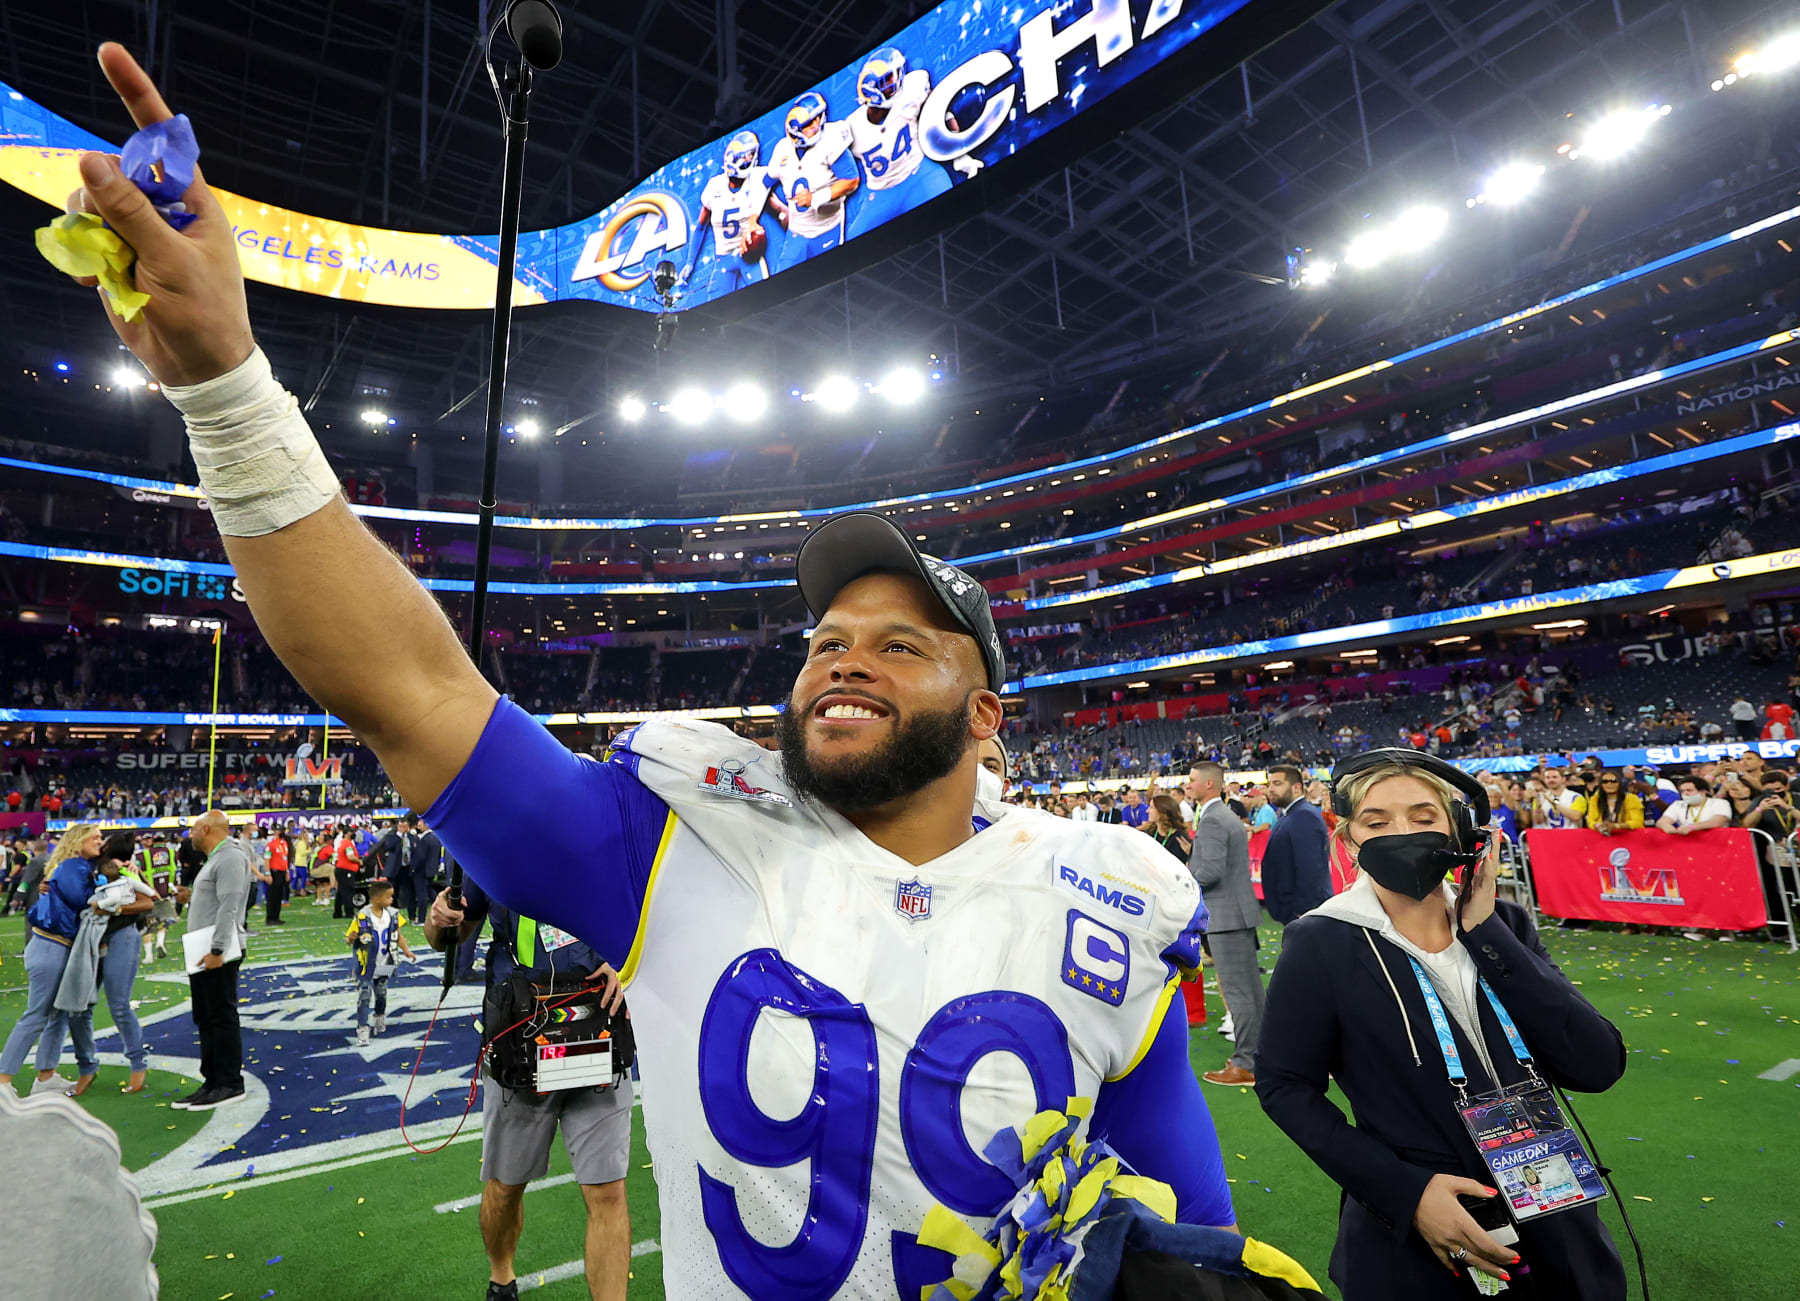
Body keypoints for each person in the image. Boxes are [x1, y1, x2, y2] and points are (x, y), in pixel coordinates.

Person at [61, 52, 1234, 1298]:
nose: (844, 660)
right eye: (827, 639)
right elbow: (406, 686)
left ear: (986, 715)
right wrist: (228, 392)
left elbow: (1192, 1245)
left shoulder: (1106, 894)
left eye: (901, 644)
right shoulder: (677, 833)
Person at [1256, 750, 1628, 1299]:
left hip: (1553, 1207)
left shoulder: (1507, 927)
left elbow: (1596, 1064)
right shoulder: (1321, 941)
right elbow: (1285, 1087)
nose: (1401, 832)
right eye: (1376, 822)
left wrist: (1485, 931)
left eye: (1424, 816)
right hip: (1415, 1234)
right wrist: (1407, 1194)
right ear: (1349, 842)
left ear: (1463, 832)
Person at [426, 880, 632, 1301]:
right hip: (521, 1035)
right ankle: (501, 1278)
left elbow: (650, 916)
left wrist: (627, 963)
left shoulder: (609, 829)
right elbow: (452, 932)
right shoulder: (492, 842)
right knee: (505, 1185)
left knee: (608, 1189)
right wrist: (438, 919)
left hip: (598, 1026)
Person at [0, 824, 104, 1097]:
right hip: (50, 946)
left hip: (55, 946)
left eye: (101, 838)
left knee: (57, 1014)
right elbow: (83, 900)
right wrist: (111, 890)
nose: (99, 841)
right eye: (93, 837)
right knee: (36, 1015)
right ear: (77, 840)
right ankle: (2, 1081)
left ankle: (45, 1077)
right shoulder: (73, 866)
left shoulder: (75, 866)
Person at [1186, 763, 1263, 1088]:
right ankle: (1259, 1056)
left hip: (1227, 916)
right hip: (1235, 914)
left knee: (1240, 992)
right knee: (1251, 992)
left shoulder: (1215, 818)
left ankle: (1248, 1063)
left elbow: (1211, 872)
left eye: (1191, 780)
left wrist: (1181, 881)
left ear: (1208, 784)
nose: (1187, 785)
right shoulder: (1219, 815)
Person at [172, 811, 251, 1111]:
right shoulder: (218, 858)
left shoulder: (229, 857)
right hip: (202, 947)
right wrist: (192, 897)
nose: (190, 835)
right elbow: (218, 901)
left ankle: (230, 1082)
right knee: (206, 1016)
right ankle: (213, 1080)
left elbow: (229, 906)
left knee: (220, 1015)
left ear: (205, 828)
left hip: (217, 949)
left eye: (193, 829)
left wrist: (218, 950)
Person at [96, 832, 156, 1094]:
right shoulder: (86, 864)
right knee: (80, 1008)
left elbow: (148, 899)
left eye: (101, 839)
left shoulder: (124, 871)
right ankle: (87, 1065)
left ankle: (137, 1061)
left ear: (108, 846)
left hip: (120, 935)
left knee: (119, 1004)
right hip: (93, 938)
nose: (98, 843)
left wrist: (115, 908)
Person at [1259, 764, 1333, 925]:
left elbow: (1310, 869)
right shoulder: (1290, 814)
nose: (1270, 789)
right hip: (1295, 913)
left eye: (1277, 784)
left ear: (1297, 788)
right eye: (1269, 784)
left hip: (1303, 914)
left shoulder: (1304, 816)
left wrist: (1303, 911)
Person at [345, 880, 413, 1047]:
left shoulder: (392, 914)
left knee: (381, 993)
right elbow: (349, 938)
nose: (392, 900)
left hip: (384, 960)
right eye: (388, 897)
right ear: (376, 899)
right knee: (365, 995)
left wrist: (406, 951)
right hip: (366, 963)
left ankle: (379, 1017)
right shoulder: (363, 915)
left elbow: (398, 934)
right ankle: (362, 1028)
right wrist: (351, 938)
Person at [1656, 776, 1731, 837]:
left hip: (1716, 842)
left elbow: (1718, 821)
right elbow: (1662, 821)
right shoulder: (1678, 804)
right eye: (1682, 791)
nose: (1685, 793)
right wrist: (1667, 827)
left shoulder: (1719, 803)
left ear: (1703, 792)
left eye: (1689, 790)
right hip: (1687, 844)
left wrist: (1691, 827)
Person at [1145, 793, 1194, 861]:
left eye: (1151, 807)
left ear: (1162, 811)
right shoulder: (1150, 833)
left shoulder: (1179, 840)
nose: (1147, 811)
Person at [331, 823, 362, 920]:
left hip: (341, 869)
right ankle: (349, 912)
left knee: (341, 891)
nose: (353, 834)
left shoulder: (343, 843)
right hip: (346, 870)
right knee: (348, 891)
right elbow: (351, 857)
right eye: (351, 832)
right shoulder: (347, 844)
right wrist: (359, 861)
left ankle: (337, 912)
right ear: (346, 834)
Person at [264, 826, 290, 925]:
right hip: (274, 872)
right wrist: (267, 873)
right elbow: (267, 860)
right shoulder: (271, 845)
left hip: (282, 872)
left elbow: (285, 858)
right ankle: (270, 918)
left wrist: (287, 871)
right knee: (272, 896)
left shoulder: (284, 844)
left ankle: (276, 916)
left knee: (279, 895)